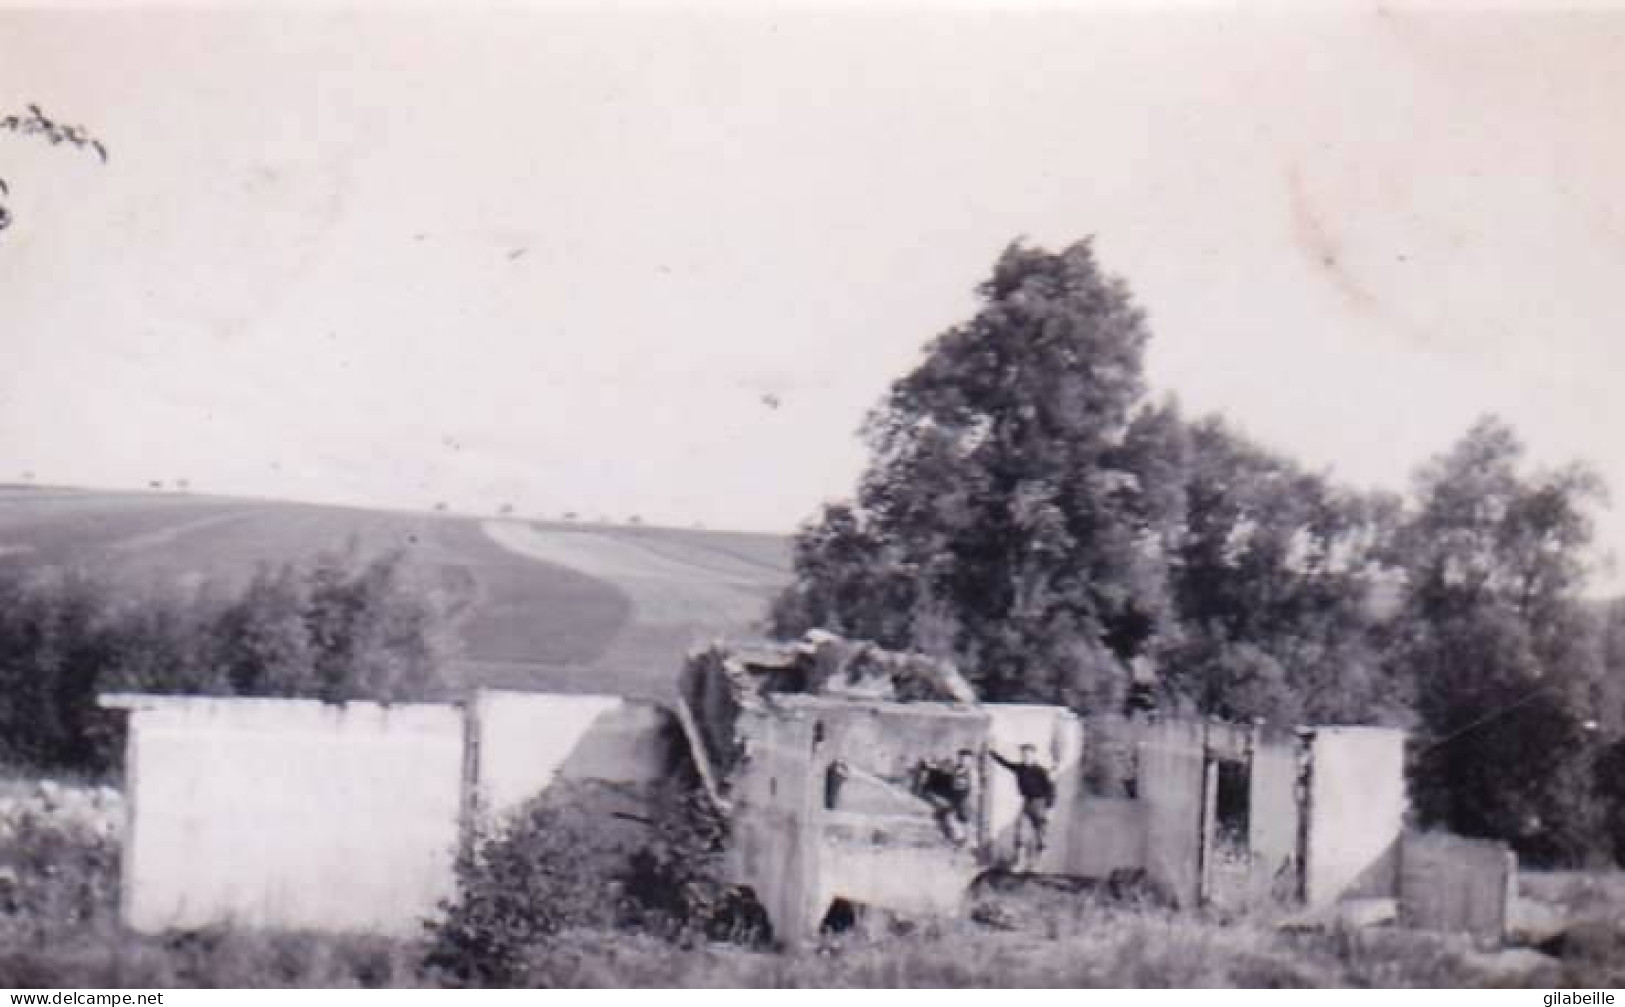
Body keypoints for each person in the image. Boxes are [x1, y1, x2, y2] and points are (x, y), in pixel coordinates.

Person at [990, 743, 1056, 866]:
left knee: (1041, 832)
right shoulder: (1020, 768)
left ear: (1033, 755)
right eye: (1024, 754)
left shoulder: (1041, 771)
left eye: (1028, 754)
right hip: (1027, 802)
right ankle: (1018, 860)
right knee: (1020, 828)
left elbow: (1051, 789)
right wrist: (992, 753)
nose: (1026, 757)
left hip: (1040, 802)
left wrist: (1050, 808)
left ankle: (1039, 862)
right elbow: (1005, 763)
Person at [918, 749, 977, 845]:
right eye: (961, 758)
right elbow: (943, 772)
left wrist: (969, 798)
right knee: (943, 816)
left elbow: (972, 787)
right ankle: (956, 838)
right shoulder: (955, 769)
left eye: (966, 759)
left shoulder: (972, 772)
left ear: (970, 760)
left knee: (964, 819)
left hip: (964, 798)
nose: (963, 761)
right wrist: (929, 767)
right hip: (953, 797)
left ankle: (966, 840)